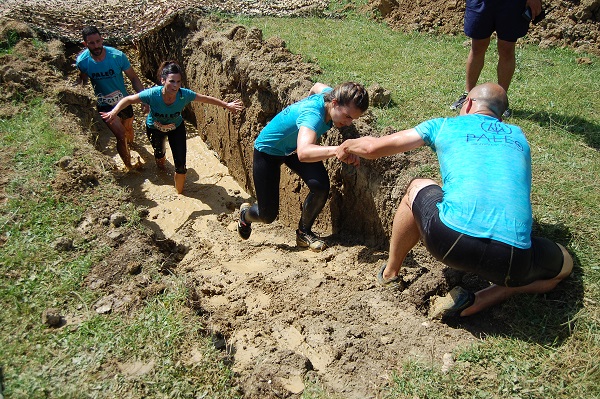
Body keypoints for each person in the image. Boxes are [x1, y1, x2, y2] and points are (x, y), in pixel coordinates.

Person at [336, 83, 573, 318]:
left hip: (450, 241)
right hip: (513, 261)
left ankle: (390, 274)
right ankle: (483, 298)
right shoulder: (518, 136)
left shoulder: (444, 125)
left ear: (468, 104)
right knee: (564, 266)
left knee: (417, 186)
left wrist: (347, 145)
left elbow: (374, 148)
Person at [237, 82, 368, 252]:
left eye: (353, 119)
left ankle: (303, 233)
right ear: (335, 103)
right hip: (268, 151)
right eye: (348, 116)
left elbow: (316, 86)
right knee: (267, 215)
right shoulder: (313, 115)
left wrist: (303, 131)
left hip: (293, 148)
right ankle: (245, 215)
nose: (349, 123)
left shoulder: (330, 95)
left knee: (320, 187)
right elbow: (304, 153)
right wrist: (338, 149)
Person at [101, 61, 243, 194]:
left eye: (178, 82)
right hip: (154, 129)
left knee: (181, 167)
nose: (175, 86)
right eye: (171, 81)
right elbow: (129, 99)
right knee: (160, 156)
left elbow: (205, 98)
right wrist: (113, 112)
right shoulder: (152, 94)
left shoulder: (184, 95)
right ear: (163, 81)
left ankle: (180, 195)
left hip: (176, 128)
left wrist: (226, 105)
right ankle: (161, 166)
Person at [449, 0, 543, 118]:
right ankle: (468, 97)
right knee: (477, 46)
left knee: (507, 48)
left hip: (511, 4)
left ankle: (501, 102)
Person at [76, 26, 147, 170]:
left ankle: (131, 145)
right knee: (120, 135)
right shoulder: (83, 62)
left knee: (127, 129)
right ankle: (129, 167)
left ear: (102, 39)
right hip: (105, 105)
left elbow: (133, 78)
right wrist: (77, 91)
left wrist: (144, 98)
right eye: (91, 43)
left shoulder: (117, 56)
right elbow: (82, 79)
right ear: (85, 44)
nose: (96, 46)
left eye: (98, 41)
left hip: (123, 101)